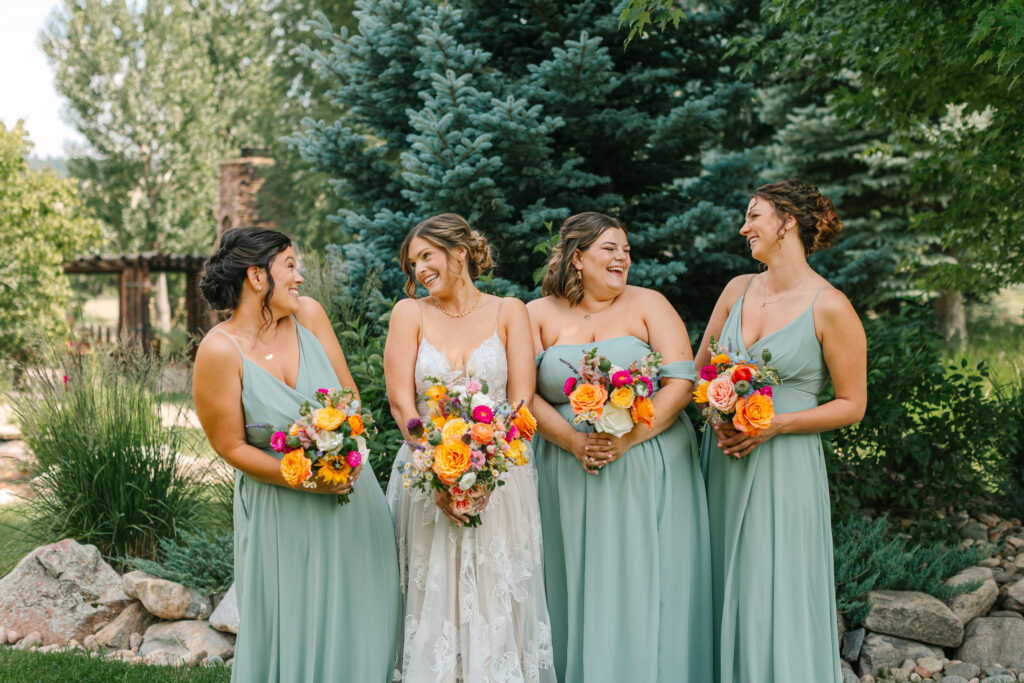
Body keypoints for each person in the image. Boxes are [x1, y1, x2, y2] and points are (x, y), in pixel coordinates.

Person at [192, 227, 400, 682]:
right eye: (289, 264)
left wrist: (337, 459)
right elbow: (230, 446)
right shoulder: (219, 351)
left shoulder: (309, 316)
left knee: (363, 613)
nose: (299, 276)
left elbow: (350, 403)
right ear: (257, 277)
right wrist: (304, 478)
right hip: (282, 510)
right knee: (294, 623)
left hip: (350, 496)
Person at [527, 212, 712, 682]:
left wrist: (627, 439)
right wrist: (572, 440)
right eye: (610, 248)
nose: (623, 257)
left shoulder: (650, 303)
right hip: (564, 468)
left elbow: (680, 382)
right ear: (578, 256)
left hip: (647, 461)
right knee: (574, 579)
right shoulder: (535, 313)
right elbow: (522, 394)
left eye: (626, 249)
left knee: (645, 578)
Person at [696, 180, 867, 682]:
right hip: (723, 458)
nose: (744, 227)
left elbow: (852, 404)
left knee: (773, 585)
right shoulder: (737, 289)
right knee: (720, 577)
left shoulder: (830, 305)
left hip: (783, 466)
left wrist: (777, 424)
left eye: (754, 216)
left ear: (787, 223)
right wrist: (716, 414)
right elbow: (702, 373)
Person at [383, 213, 555, 682]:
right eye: (412, 262)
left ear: (459, 252)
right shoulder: (409, 314)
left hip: (502, 475)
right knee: (430, 594)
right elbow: (402, 403)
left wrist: (486, 469)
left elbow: (521, 402)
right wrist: (437, 472)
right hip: (423, 470)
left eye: (427, 256)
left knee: (495, 594)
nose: (418, 270)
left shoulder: (509, 310)